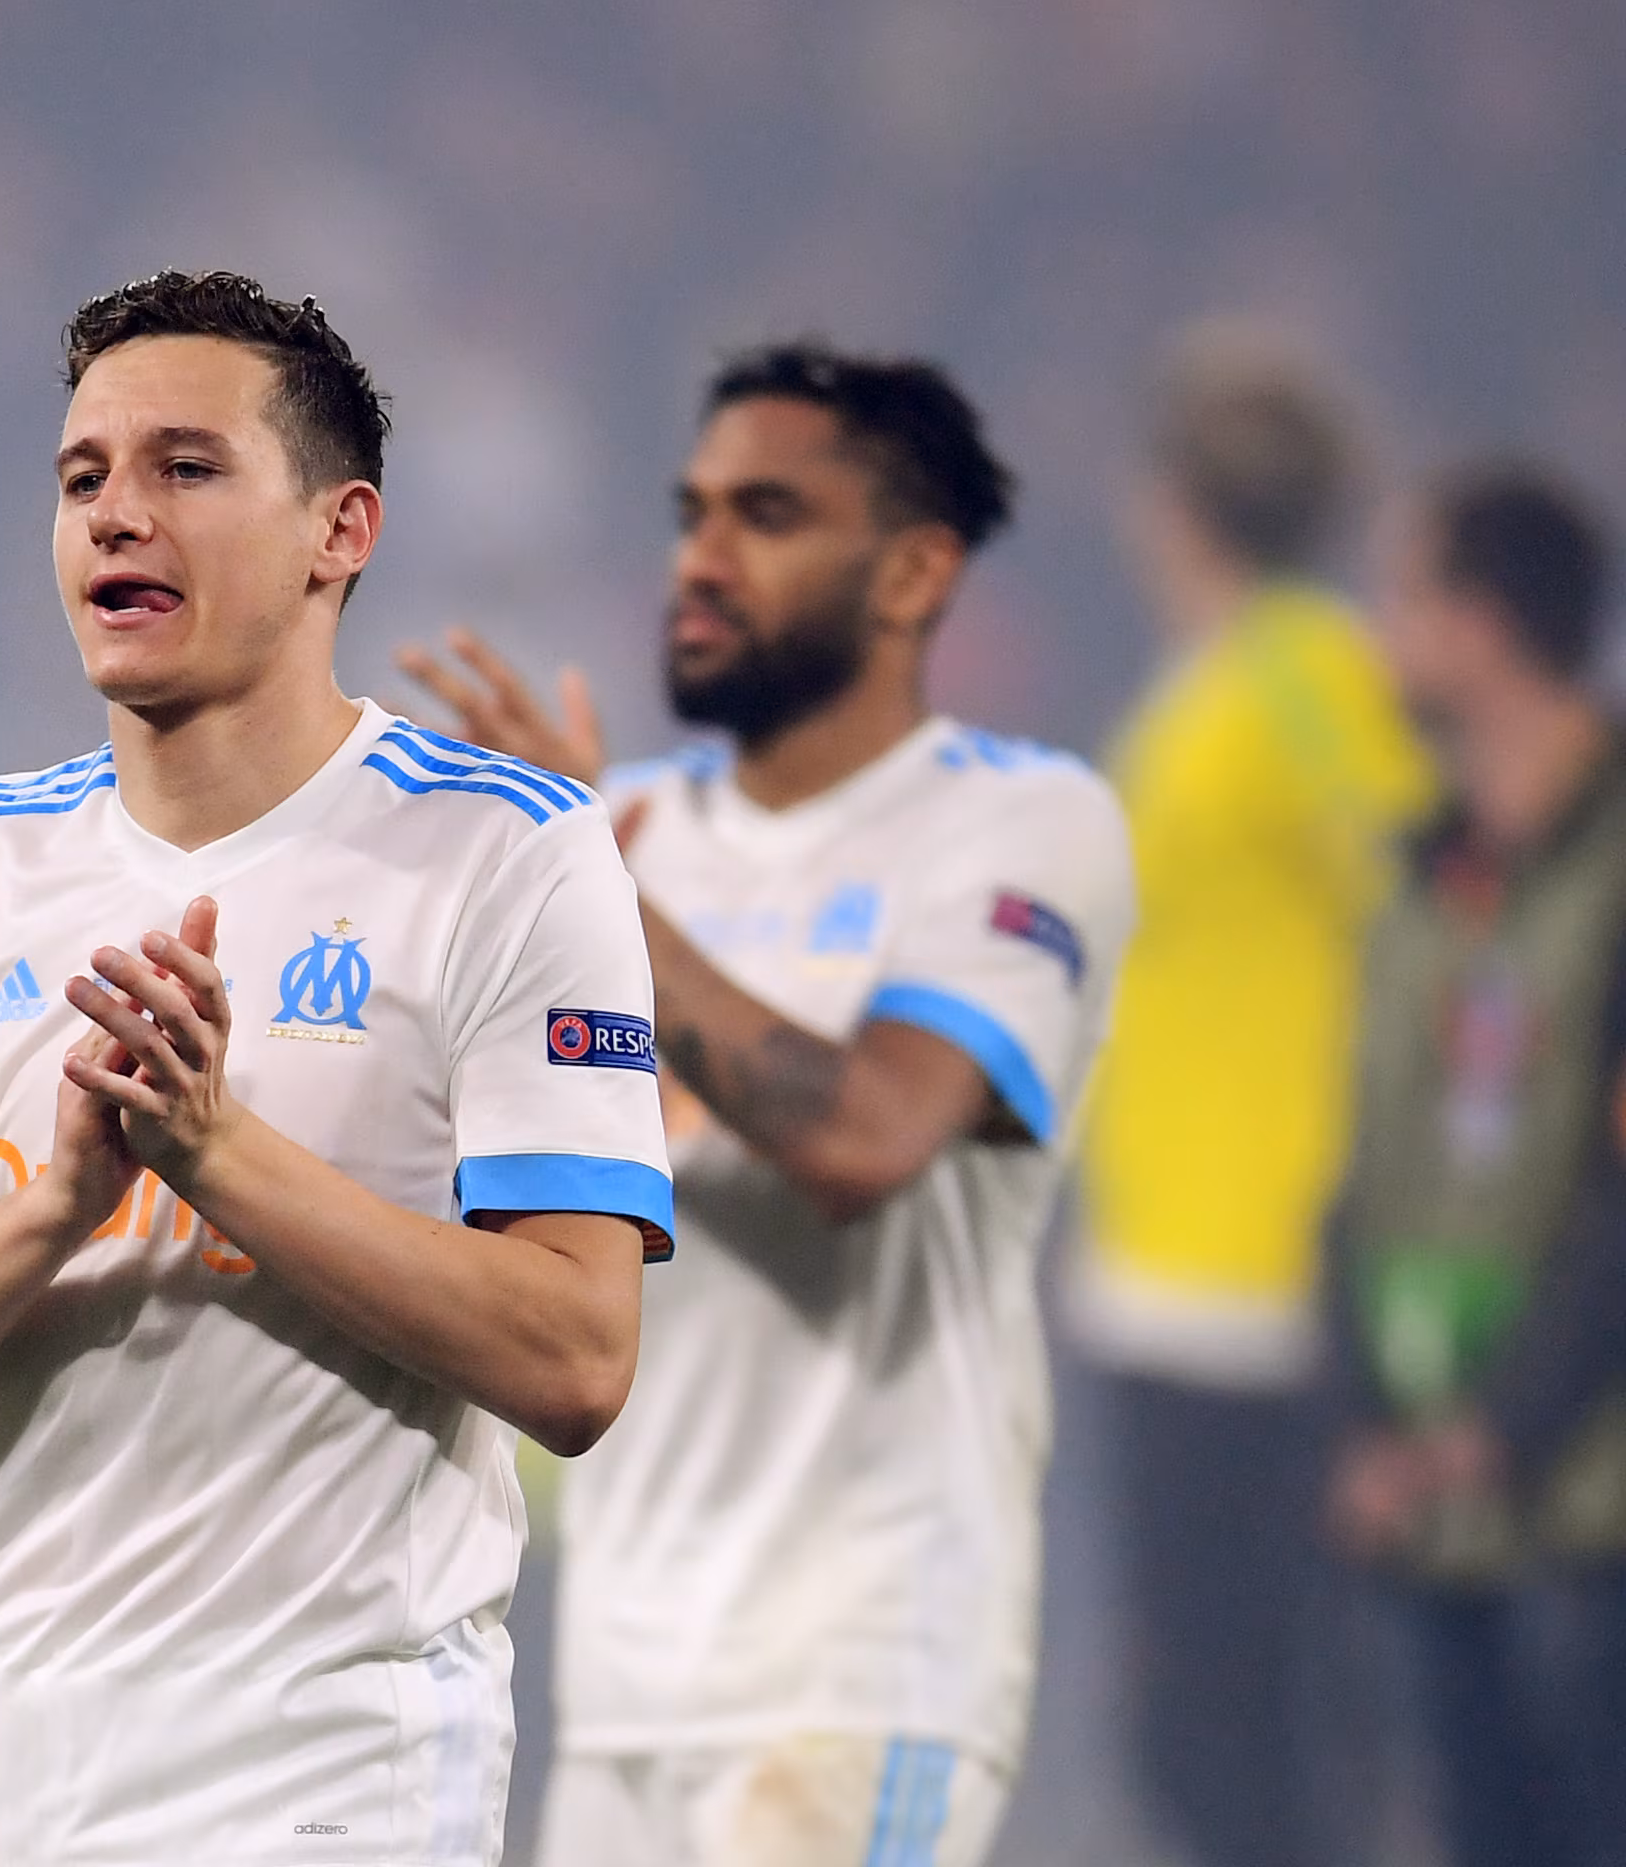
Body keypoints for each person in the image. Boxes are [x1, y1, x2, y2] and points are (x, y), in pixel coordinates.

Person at [0, 270, 674, 1866]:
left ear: (342, 530)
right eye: (83, 478)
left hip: (327, 1771)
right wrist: (53, 1213)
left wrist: (219, 1154)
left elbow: (578, 1360)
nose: (117, 514)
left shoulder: (504, 851)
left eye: (186, 467)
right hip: (8, 1760)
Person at [402, 343, 1134, 1866]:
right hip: (622, 1679)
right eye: (693, 514)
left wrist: (591, 890)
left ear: (916, 572)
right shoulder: (630, 825)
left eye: (768, 514)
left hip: (859, 1672)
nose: (703, 557)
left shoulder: (1018, 822)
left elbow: (863, 1135)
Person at [1078, 326, 1430, 1867]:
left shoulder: (1304, 667)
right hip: (1174, 1259)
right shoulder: (1229, 676)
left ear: (1170, 502)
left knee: (1260, 1724)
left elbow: (1412, 884)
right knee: (1195, 1719)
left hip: (1268, 1263)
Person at [1321, 465, 1626, 1867]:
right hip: (1433, 1519)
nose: (1381, 632)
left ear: (1485, 624)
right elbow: (1364, 1176)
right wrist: (1364, 1427)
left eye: (1406, 597)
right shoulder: (1422, 880)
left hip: (1586, 1512)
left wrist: (1499, 1429)